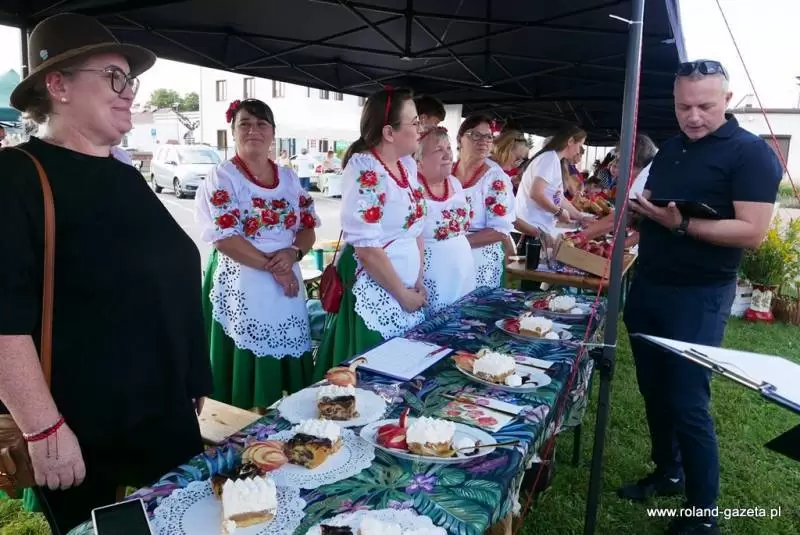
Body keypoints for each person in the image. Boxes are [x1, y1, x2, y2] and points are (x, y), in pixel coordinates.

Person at [0, 13, 212, 533]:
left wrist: (190, 375)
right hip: (83, 432)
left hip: (163, 415)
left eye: (130, 80)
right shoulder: (16, 176)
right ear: (58, 86)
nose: (129, 91)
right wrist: (44, 429)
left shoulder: (124, 175)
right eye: (114, 77)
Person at [622, 60, 783, 535]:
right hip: (649, 285)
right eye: (683, 106)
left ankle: (702, 511)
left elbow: (752, 232)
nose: (693, 116)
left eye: (705, 106)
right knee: (654, 390)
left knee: (687, 400)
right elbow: (655, 207)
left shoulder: (751, 153)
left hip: (699, 295)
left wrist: (683, 224)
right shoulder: (671, 149)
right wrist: (639, 214)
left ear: (727, 101)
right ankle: (668, 471)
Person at [195, 99, 320, 411]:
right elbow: (225, 238)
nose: (253, 130)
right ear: (233, 132)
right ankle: (246, 420)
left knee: (287, 348)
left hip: (285, 276)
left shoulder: (289, 178)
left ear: (273, 132)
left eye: (261, 124)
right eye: (245, 124)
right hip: (243, 276)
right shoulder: (223, 176)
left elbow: (307, 228)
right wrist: (274, 267)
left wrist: (293, 252)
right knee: (246, 354)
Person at [313, 87, 426, 378]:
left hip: (405, 290)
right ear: (389, 132)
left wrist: (418, 280)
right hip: (377, 290)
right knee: (371, 372)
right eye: (414, 122)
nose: (420, 129)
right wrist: (402, 294)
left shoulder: (407, 166)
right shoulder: (366, 168)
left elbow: (416, 229)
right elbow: (366, 248)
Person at [416, 127, 476, 313]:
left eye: (448, 148)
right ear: (419, 160)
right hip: (431, 276)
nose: (448, 155)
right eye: (438, 150)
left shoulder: (455, 183)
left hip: (463, 271)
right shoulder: (412, 188)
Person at [453, 113, 516, 288]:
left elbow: (500, 229)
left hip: (478, 259)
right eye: (476, 135)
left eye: (488, 137)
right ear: (460, 139)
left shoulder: (495, 179)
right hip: (444, 256)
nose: (483, 141)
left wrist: (457, 245)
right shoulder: (446, 172)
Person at [572, 135, 658, 246]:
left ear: (630, 158)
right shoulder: (649, 172)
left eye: (619, 159)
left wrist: (581, 237)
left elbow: (619, 219)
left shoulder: (645, 178)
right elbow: (625, 216)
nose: (617, 164)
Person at [513, 124, 590, 242]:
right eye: (579, 145)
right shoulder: (549, 158)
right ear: (570, 141)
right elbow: (536, 194)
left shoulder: (553, 159)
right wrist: (558, 212)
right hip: (531, 228)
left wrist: (580, 216)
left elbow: (558, 198)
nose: (578, 150)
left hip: (536, 228)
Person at [491, 129, 530, 194]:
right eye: (517, 158)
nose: (517, 164)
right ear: (505, 150)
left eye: (521, 160)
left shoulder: (499, 172)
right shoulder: (491, 172)